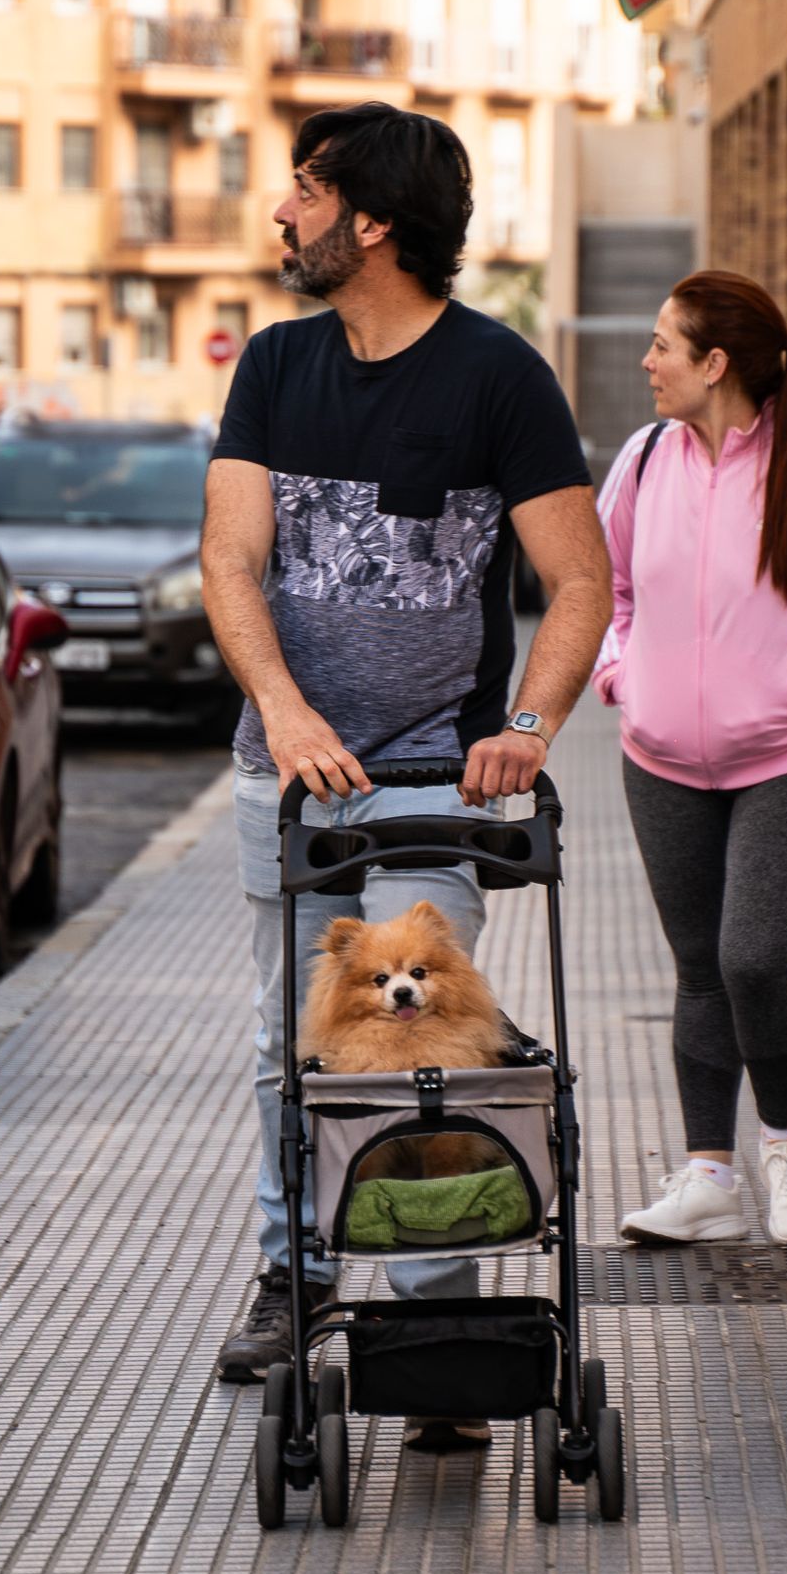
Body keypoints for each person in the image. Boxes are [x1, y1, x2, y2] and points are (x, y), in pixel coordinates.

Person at [201, 102, 611, 1445]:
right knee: (295, 1044)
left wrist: (531, 730)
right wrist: (285, 709)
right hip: (296, 781)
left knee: (433, 1047)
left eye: (306, 191)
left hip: (440, 775)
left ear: (372, 220)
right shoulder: (274, 365)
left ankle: (443, 1319)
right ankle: (296, 1275)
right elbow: (232, 561)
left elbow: (580, 583)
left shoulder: (499, 378)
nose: (284, 212)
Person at [592, 271, 787, 1247]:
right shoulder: (642, 461)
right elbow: (603, 590)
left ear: (714, 362)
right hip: (661, 759)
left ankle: (783, 1154)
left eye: (662, 346)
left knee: (753, 958)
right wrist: (620, 676)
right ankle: (707, 1181)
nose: (646, 363)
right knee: (698, 969)